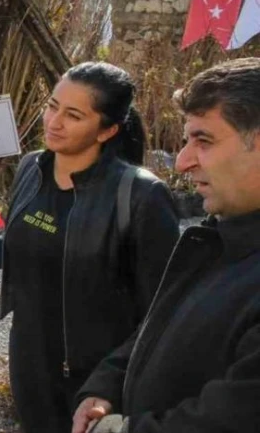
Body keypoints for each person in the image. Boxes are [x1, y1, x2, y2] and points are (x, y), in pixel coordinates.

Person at [0, 62, 180, 433]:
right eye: (52, 106)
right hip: (29, 360)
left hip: (96, 378)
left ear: (108, 130)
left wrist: (110, 383)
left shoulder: (141, 196)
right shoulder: (31, 169)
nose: (54, 121)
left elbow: (165, 309)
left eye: (73, 115)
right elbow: (44, 240)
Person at [73, 57, 260, 433]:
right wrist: (108, 383)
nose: (182, 162)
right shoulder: (215, 238)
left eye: (203, 140)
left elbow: (232, 420)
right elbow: (160, 326)